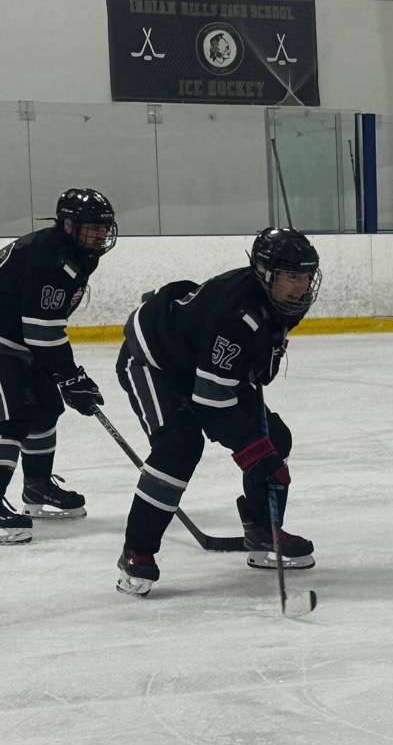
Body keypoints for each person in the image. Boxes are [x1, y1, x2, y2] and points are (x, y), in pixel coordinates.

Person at [113, 228, 322, 596]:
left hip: (203, 362)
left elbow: (241, 362)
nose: (301, 287)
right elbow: (210, 402)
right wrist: (254, 454)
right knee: (178, 446)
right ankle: (137, 551)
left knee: (275, 438)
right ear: (265, 273)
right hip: (156, 362)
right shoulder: (234, 312)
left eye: (306, 276)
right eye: (291, 277)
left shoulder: (287, 300)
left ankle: (262, 532)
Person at [0, 188, 116, 542]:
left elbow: (42, 326)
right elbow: (41, 329)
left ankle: (37, 487)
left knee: (46, 407)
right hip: (6, 342)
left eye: (103, 227)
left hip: (18, 341)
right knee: (12, 417)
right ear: (67, 225)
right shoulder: (48, 257)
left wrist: (64, 377)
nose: (99, 235)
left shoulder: (77, 253)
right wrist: (69, 375)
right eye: (91, 227)